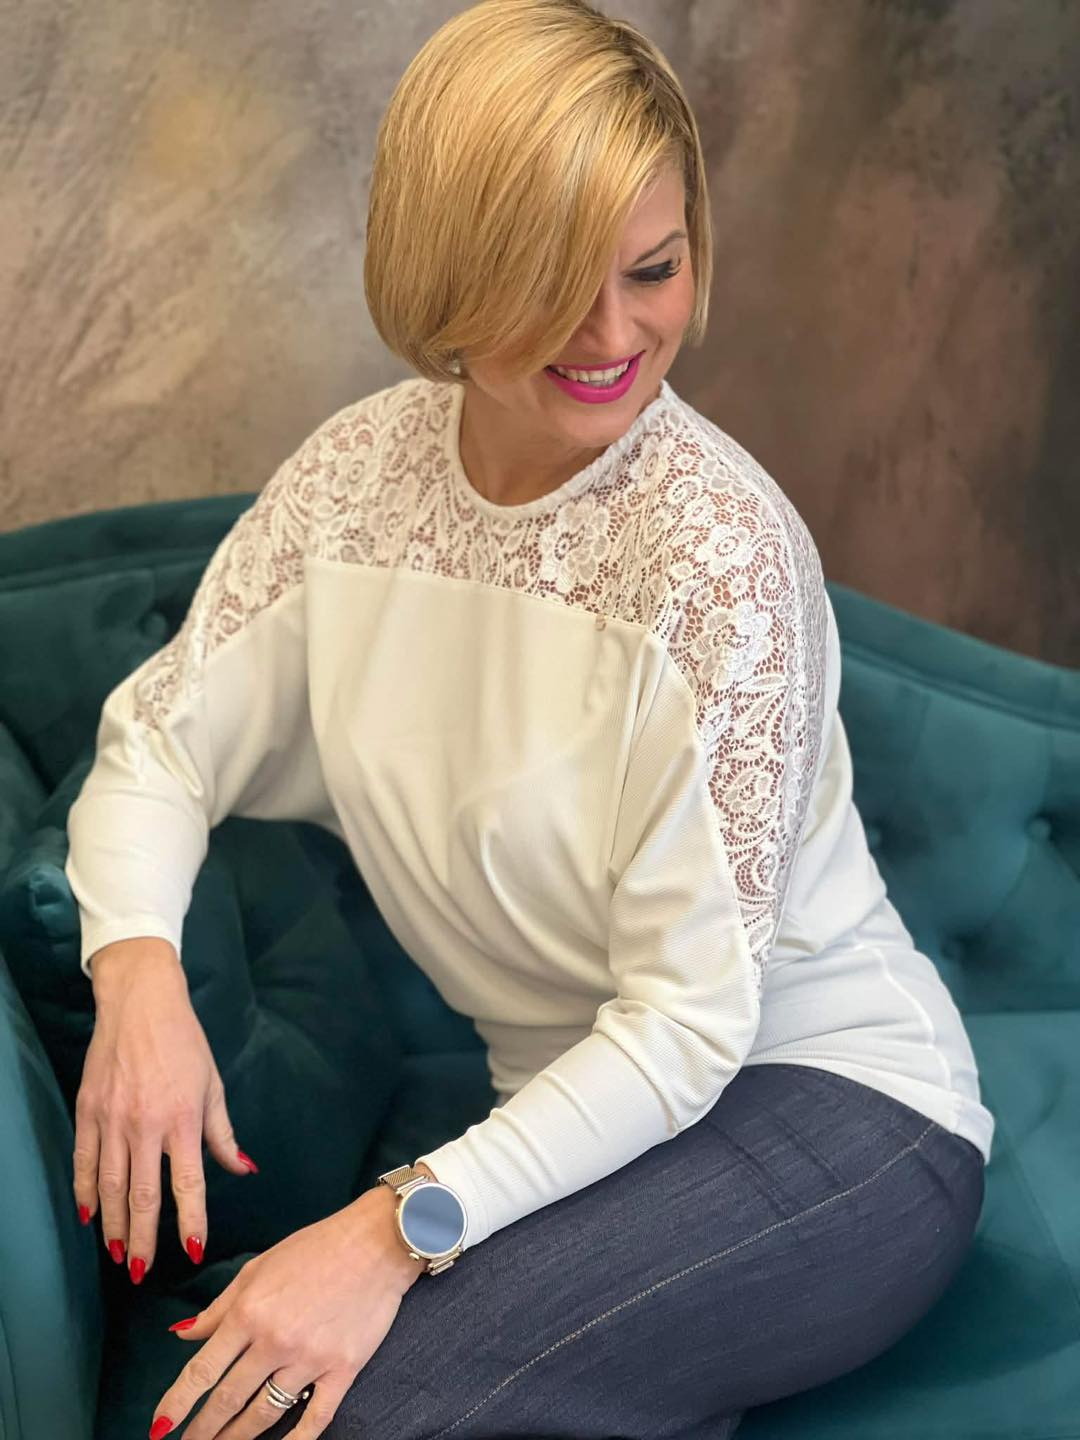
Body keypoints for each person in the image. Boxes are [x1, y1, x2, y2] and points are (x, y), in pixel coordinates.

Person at [64, 2, 994, 1437]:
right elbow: (159, 741)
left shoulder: (720, 554)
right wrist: (138, 980)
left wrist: (390, 1229)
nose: (615, 334)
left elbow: (689, 1026)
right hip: (566, 1133)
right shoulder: (354, 484)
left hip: (830, 1110)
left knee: (344, 1407)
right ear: (449, 268)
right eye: (554, 282)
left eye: (655, 268)